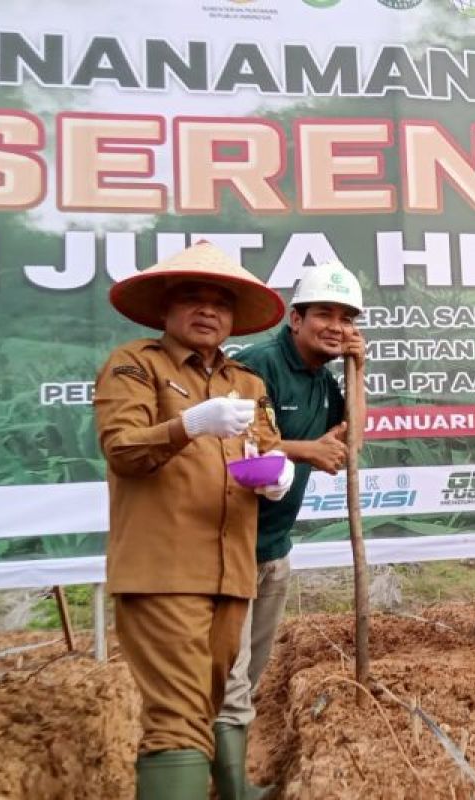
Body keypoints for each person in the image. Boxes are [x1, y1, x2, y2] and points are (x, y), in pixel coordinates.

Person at [94, 241, 295, 798]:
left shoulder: (248, 383)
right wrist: (190, 423)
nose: (207, 310)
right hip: (163, 571)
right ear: (165, 308)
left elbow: (268, 449)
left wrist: (277, 474)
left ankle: (222, 787)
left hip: (231, 572)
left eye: (220, 303)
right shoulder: (136, 365)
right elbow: (122, 449)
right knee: (177, 715)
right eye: (192, 298)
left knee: (207, 700)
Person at [212, 260, 365, 799]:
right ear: (295, 318)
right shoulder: (256, 366)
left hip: (273, 550)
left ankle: (218, 773)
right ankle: (230, 789)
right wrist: (305, 449)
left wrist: (359, 371)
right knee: (229, 679)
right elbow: (235, 445)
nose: (336, 325)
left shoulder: (327, 380)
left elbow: (352, 444)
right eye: (324, 312)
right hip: (226, 548)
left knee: (248, 676)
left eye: (346, 317)